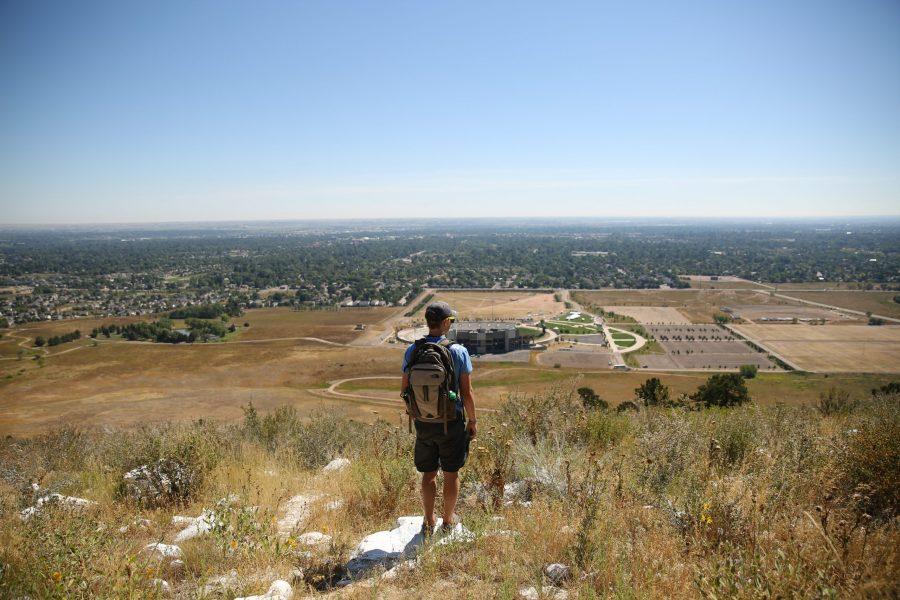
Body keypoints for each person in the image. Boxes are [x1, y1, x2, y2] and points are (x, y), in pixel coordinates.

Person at [401, 301, 477, 537]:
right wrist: (472, 421)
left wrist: (418, 413)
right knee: (451, 473)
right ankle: (447, 521)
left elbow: (404, 390)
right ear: (444, 323)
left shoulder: (413, 350)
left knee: (428, 474)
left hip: (423, 423)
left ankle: (428, 520)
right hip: (450, 422)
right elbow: (466, 393)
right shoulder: (458, 351)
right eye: (450, 321)